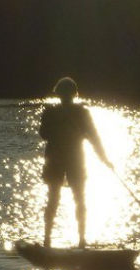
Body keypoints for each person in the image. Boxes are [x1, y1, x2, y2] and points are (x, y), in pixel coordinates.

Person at [39, 77, 112, 248]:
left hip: (65, 160)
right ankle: (77, 240)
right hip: (67, 160)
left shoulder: (55, 112)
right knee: (73, 199)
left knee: (57, 199)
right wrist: (104, 158)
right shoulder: (76, 113)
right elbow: (94, 138)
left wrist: (105, 159)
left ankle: (51, 240)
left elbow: (44, 135)